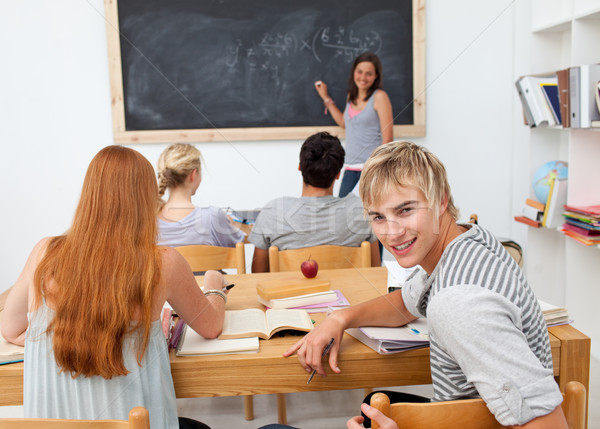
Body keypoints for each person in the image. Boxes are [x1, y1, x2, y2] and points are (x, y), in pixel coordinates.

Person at [284, 141, 568, 428]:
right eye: (379, 217)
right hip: (462, 417)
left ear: (441, 200)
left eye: (406, 210)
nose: (392, 232)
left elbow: (548, 423)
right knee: (374, 403)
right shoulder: (467, 241)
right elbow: (406, 304)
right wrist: (339, 318)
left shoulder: (459, 304)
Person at [1, 146, 229, 429]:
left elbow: (10, 329)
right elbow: (211, 326)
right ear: (147, 201)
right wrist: (214, 287)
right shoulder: (162, 263)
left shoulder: (43, 253)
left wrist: (72, 334)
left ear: (89, 194)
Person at [249, 131, 380, 273]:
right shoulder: (361, 210)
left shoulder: (273, 211)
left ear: (300, 167)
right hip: (348, 295)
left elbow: (258, 276)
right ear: (337, 174)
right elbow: (374, 272)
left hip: (289, 295)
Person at [314, 51, 393, 198]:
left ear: (376, 76)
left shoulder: (380, 97)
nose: (363, 78)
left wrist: (375, 169)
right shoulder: (351, 96)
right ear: (354, 72)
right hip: (350, 169)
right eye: (360, 72)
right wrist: (325, 97)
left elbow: (388, 139)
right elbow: (344, 123)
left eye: (369, 74)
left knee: (371, 217)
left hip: (370, 170)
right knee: (344, 216)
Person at [157, 143, 245, 247]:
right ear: (193, 175)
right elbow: (237, 246)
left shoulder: (148, 220)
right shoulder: (213, 217)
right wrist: (227, 223)